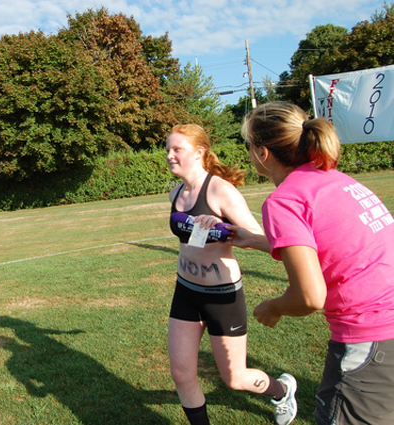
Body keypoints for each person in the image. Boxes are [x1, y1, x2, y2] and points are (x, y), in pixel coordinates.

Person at [228, 101, 394, 425]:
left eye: (248, 145)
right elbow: (326, 244)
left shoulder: (283, 200)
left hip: (371, 337)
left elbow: (309, 297)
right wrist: (254, 240)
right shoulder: (334, 179)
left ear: (262, 153)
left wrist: (272, 308)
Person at [165, 124, 297, 425]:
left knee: (235, 378)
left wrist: (222, 226)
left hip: (221, 296)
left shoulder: (220, 190)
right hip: (185, 290)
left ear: (199, 152)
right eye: (168, 150)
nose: (170, 156)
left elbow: (258, 236)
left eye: (177, 150)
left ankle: (281, 389)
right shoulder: (175, 193)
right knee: (182, 374)